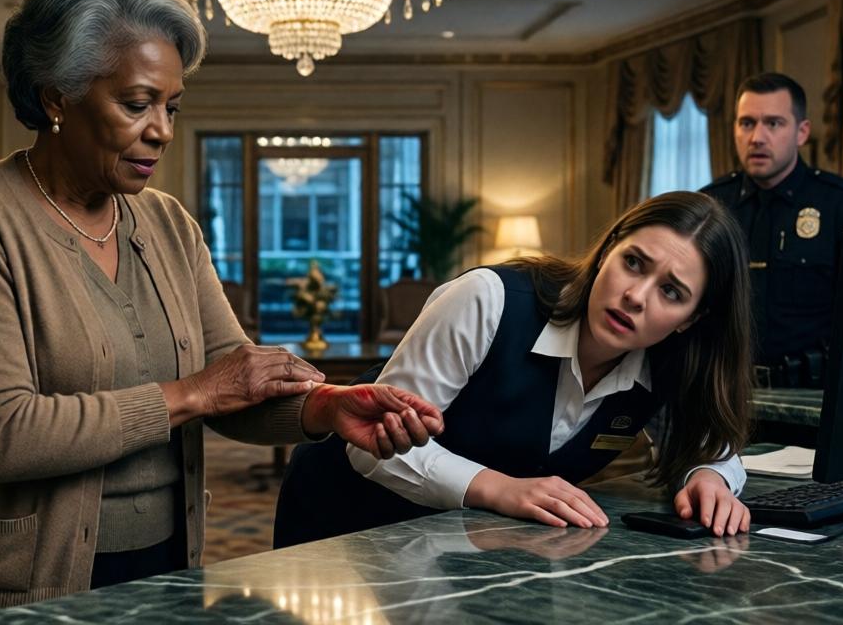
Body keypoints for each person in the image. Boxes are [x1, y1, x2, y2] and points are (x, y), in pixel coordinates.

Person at [0, 0, 444, 623]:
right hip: (10, 581)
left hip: (161, 566)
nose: (160, 128)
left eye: (171, 106)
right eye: (136, 104)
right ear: (56, 98)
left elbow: (232, 381)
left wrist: (327, 408)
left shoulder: (167, 223)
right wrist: (192, 393)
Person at [275, 191, 755, 547]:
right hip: (343, 530)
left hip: (471, 550)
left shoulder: (667, 359)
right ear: (608, 247)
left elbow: (713, 446)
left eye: (671, 291)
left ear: (691, 320)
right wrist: (499, 488)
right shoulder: (488, 299)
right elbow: (373, 451)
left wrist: (709, 478)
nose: (636, 296)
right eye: (633, 262)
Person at [701, 72, 843, 389]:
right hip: (725, 390)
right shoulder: (710, 205)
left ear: (802, 132)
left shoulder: (842, 205)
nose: (757, 137)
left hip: (813, 393)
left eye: (773, 123)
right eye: (746, 123)